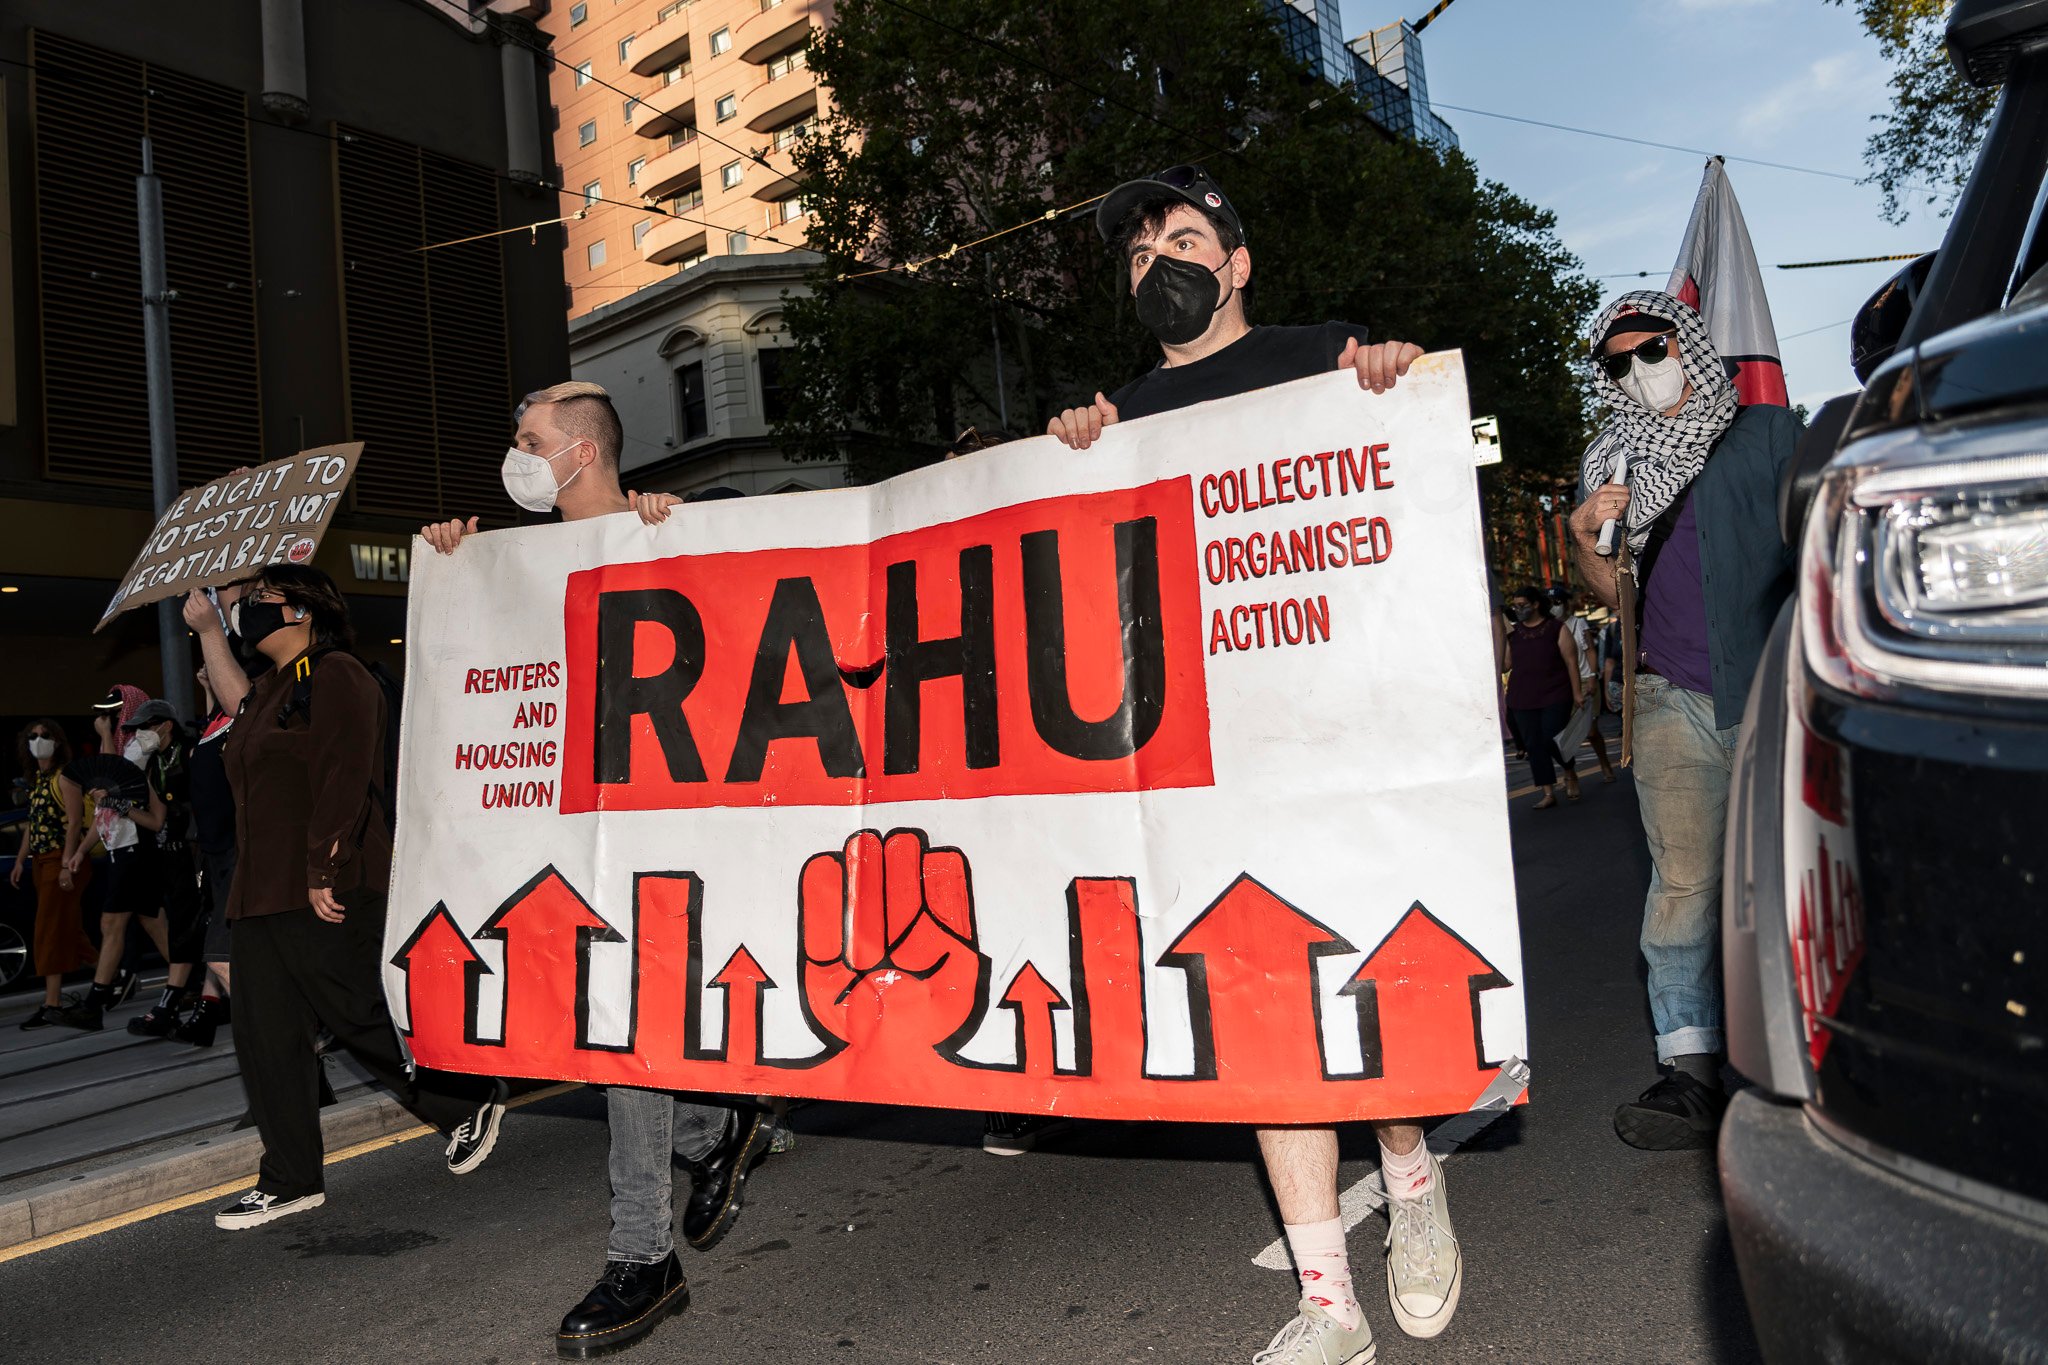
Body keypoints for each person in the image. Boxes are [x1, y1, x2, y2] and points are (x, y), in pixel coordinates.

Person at [1045, 165, 1449, 1365]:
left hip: (1337, 740)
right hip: (1204, 760)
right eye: (1136, 255)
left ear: (1234, 265)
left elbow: (1396, 490)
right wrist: (1068, 454)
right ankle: (1330, 1305)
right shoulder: (1117, 421)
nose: (1155, 265)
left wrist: (1395, 381)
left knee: (1360, 1003)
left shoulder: (1317, 357)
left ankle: (1409, 1173)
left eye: (1179, 240)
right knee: (1260, 1011)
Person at [421, 380, 770, 1360]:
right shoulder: (517, 563)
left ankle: (642, 1256)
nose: (516, 455)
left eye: (529, 440)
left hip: (664, 832)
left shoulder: (666, 531)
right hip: (567, 836)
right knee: (593, 1031)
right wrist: (458, 571)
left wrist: (681, 537)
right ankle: (713, 1128)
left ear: (581, 451)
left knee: (621, 1032)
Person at [1567, 291, 1801, 1151]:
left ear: (1688, 344)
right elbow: (1613, 591)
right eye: (1617, 363)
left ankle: (1809, 1052)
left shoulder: (1770, 436)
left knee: (1793, 873)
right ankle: (1691, 1073)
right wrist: (1583, 536)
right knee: (1684, 887)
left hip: (1772, 689)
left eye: (1651, 349)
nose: (1638, 371)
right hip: (1668, 698)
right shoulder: (1612, 464)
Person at [212, 564, 509, 1229]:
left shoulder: (337, 674)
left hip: (328, 883)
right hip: (258, 894)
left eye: (262, 598)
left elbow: (344, 774)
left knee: (358, 1013)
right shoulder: (264, 692)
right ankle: (290, 1178)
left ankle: (464, 1101)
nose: (249, 609)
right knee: (265, 1039)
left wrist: (324, 866)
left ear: (302, 612)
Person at [53, 686, 162, 1030]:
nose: (109, 719)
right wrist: (80, 851)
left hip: (136, 844)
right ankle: (192, 982)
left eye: (114, 713)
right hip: (121, 845)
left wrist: (103, 735)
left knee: (111, 923)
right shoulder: (118, 744)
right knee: (153, 921)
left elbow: (115, 778)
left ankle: (93, 1005)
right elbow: (105, 813)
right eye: (106, 714)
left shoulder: (143, 742)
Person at [122, 699, 209, 1036]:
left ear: (166, 725)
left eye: (146, 726)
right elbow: (157, 819)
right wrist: (125, 806)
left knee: (191, 926)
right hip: (171, 856)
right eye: (137, 729)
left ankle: (172, 1003)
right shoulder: (154, 763)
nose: (141, 734)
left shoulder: (189, 752)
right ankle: (192, 1000)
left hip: (197, 853)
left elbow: (206, 801)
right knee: (183, 926)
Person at [11, 720, 98, 1027]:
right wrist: (21, 860)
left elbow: (74, 823)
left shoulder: (64, 776)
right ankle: (111, 976)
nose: (38, 740)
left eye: (45, 735)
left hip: (61, 860)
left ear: (58, 741)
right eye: (33, 736)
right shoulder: (38, 779)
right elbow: (33, 824)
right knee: (68, 928)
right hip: (42, 861)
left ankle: (52, 1003)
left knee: (48, 930)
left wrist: (65, 864)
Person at [1504, 586, 1585, 809]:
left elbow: (1571, 663)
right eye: (1515, 606)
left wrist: (1577, 693)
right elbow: (1506, 665)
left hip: (1555, 693)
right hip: (1522, 697)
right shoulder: (1513, 633)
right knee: (1533, 745)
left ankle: (1569, 770)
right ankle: (1548, 792)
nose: (1518, 609)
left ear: (1536, 604)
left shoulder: (1557, 629)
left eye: (1522, 605)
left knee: (1552, 737)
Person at [1548, 585, 1616, 782]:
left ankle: (1604, 763)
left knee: (1591, 731)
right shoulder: (1547, 628)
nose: (1554, 607)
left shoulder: (1579, 624)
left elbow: (1590, 651)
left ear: (1566, 603)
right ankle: (1569, 774)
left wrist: (1593, 676)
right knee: (1561, 732)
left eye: (1557, 602)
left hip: (1585, 679)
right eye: (1550, 603)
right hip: (1562, 684)